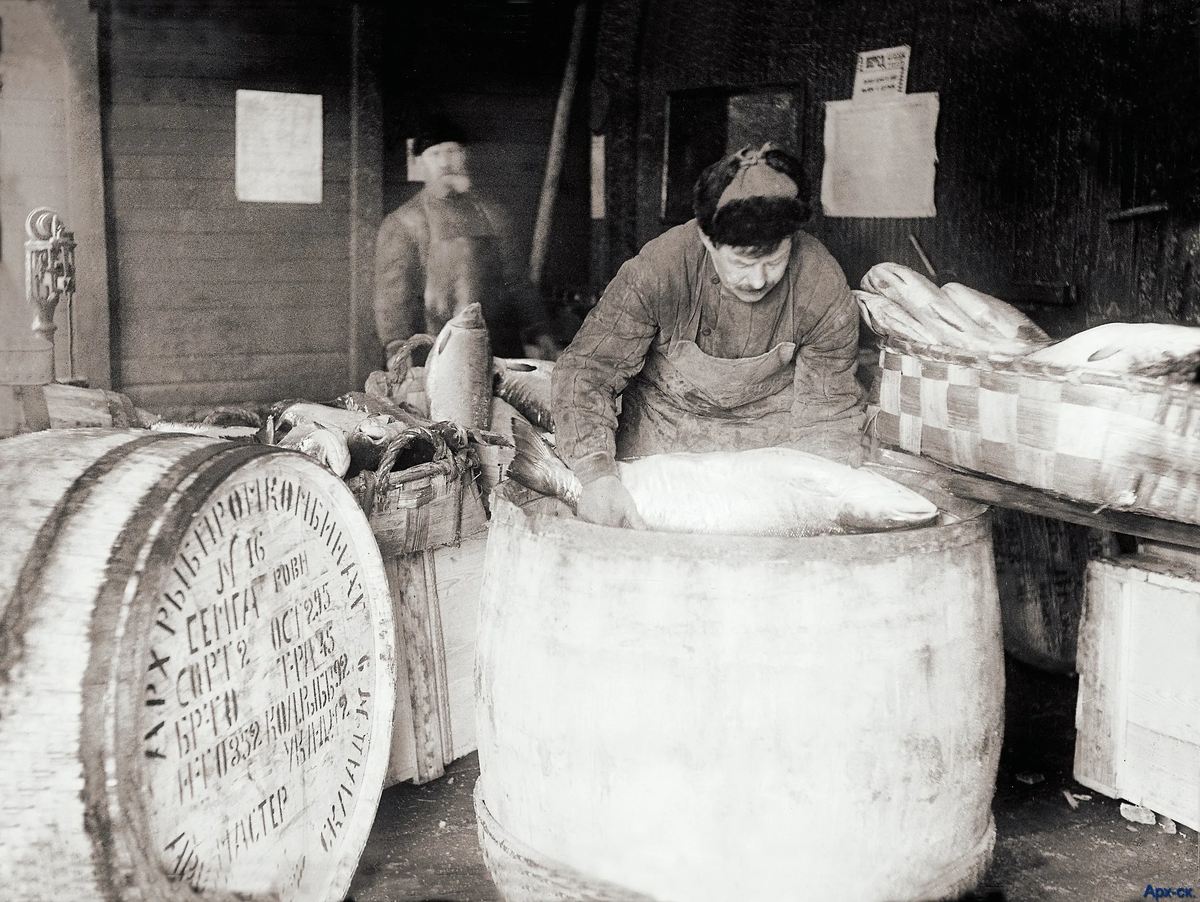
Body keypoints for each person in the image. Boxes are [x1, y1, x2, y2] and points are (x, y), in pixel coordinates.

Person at [551, 143, 866, 528]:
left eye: (774, 261)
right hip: (658, 447)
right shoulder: (660, 269)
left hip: (768, 457)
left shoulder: (821, 284)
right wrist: (596, 476)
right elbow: (588, 370)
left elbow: (827, 413)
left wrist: (817, 500)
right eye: (742, 262)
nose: (758, 280)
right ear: (705, 237)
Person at [373, 119, 561, 362]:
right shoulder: (404, 223)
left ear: (465, 156)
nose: (445, 162)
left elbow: (517, 282)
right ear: (420, 163)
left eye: (452, 151)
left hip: (500, 352)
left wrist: (540, 330)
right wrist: (397, 348)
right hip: (438, 355)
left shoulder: (494, 215)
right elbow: (393, 298)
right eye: (435, 154)